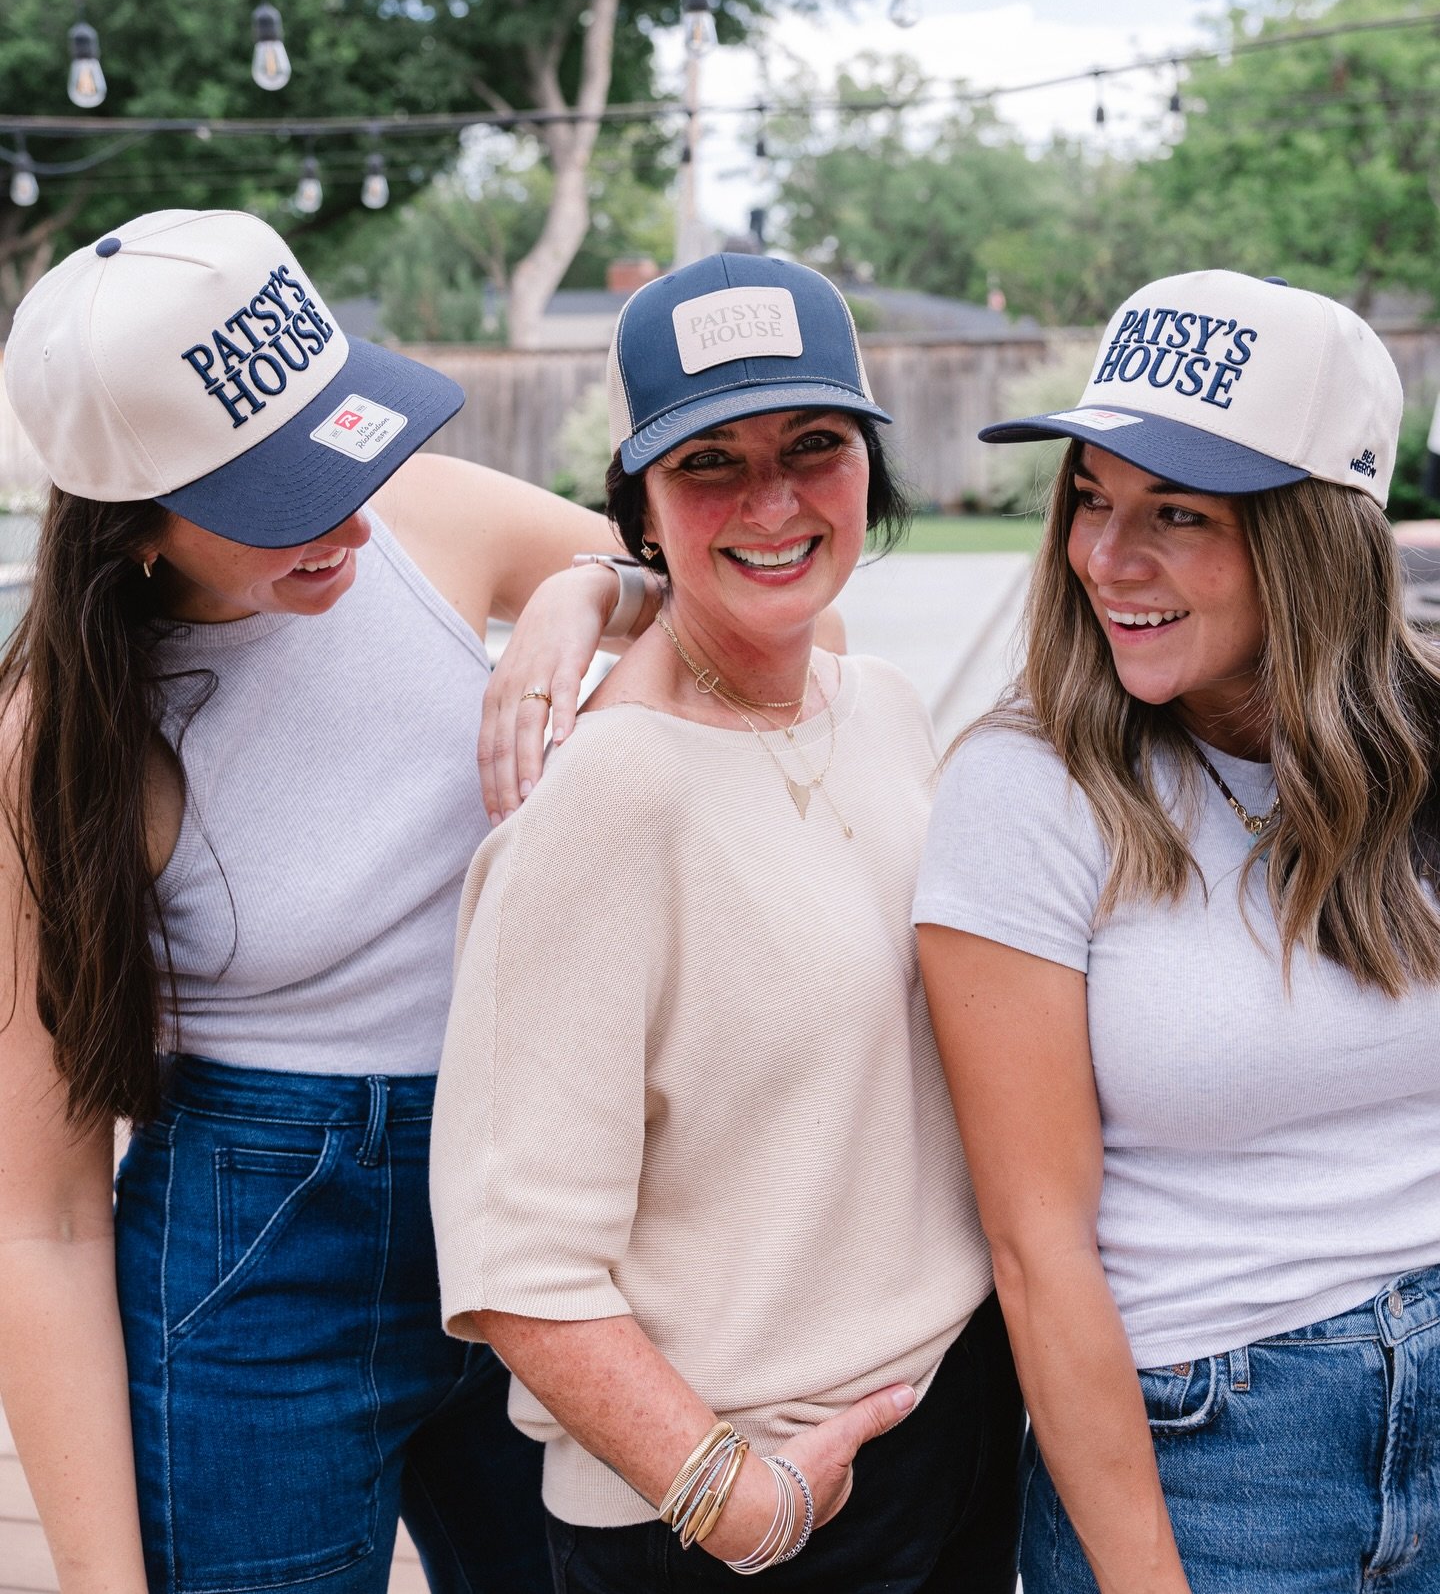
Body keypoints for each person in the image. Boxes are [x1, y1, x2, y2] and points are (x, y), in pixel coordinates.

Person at [0, 207, 671, 1594]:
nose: (355, 515)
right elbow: (39, 1220)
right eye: (280, 501)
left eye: (346, 447)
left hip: (530, 1199)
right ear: (131, 530)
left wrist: (592, 591)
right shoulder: (52, 744)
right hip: (256, 1261)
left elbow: (789, 623)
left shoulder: (428, 526)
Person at [429, 253, 1023, 1593]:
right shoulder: (611, 798)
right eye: (709, 464)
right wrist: (729, 1497)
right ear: (640, 506)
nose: (773, 500)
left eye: (815, 446)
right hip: (741, 1500)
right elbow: (514, 1252)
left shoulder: (877, 707)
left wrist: (602, 588)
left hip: (950, 1427)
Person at [913, 270, 1440, 1593]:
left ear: (1315, 540)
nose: (1105, 555)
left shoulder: (1422, 755)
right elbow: (1038, 1252)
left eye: (1176, 513)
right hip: (1217, 1460)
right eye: (1090, 498)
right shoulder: (1027, 790)